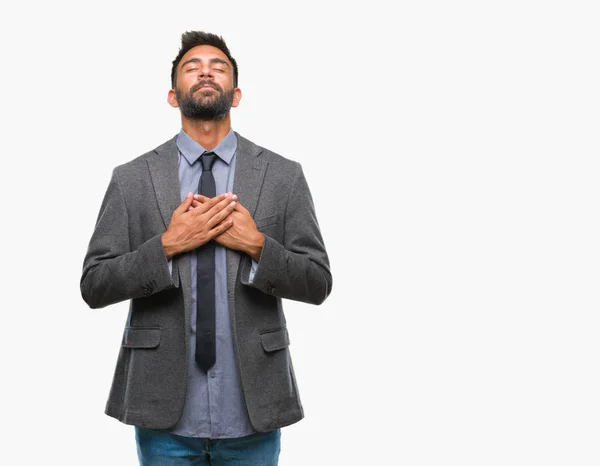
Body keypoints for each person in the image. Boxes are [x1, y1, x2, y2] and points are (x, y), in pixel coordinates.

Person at [80, 30, 332, 465]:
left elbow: (318, 282)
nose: (205, 72)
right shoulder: (132, 178)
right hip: (165, 411)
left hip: (253, 408)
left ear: (235, 95)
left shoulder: (284, 175)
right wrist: (167, 246)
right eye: (192, 67)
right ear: (172, 96)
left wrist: (257, 246)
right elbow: (94, 284)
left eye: (218, 66)